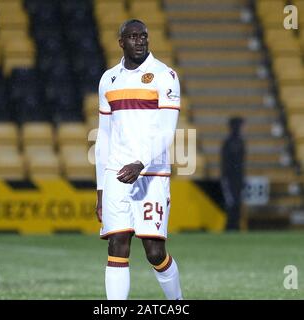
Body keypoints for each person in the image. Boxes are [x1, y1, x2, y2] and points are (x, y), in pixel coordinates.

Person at [95, 19, 183, 300]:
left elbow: (167, 131)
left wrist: (140, 163)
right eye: (132, 37)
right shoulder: (108, 79)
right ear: (121, 42)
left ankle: (177, 302)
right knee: (117, 244)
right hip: (117, 173)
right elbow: (104, 136)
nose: (140, 40)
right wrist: (100, 189)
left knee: (154, 252)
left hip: (151, 173)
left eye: (143, 36)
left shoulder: (164, 75)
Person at [220, 117, 246, 231]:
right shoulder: (232, 143)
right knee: (232, 202)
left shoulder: (237, 142)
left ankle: (234, 226)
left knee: (236, 202)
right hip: (230, 178)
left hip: (236, 178)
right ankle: (231, 226)